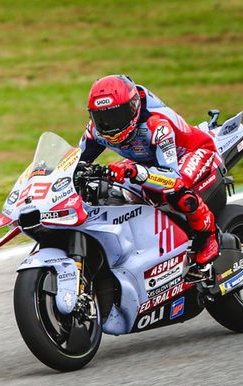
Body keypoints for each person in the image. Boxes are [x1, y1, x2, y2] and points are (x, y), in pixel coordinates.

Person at [78, 74, 221, 267]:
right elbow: (76, 161)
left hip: (191, 153)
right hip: (147, 161)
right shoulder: (95, 131)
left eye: (116, 116)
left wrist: (134, 171)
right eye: (102, 118)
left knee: (177, 192)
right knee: (109, 191)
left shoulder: (157, 125)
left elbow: (172, 178)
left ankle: (209, 236)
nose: (109, 126)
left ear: (133, 107)